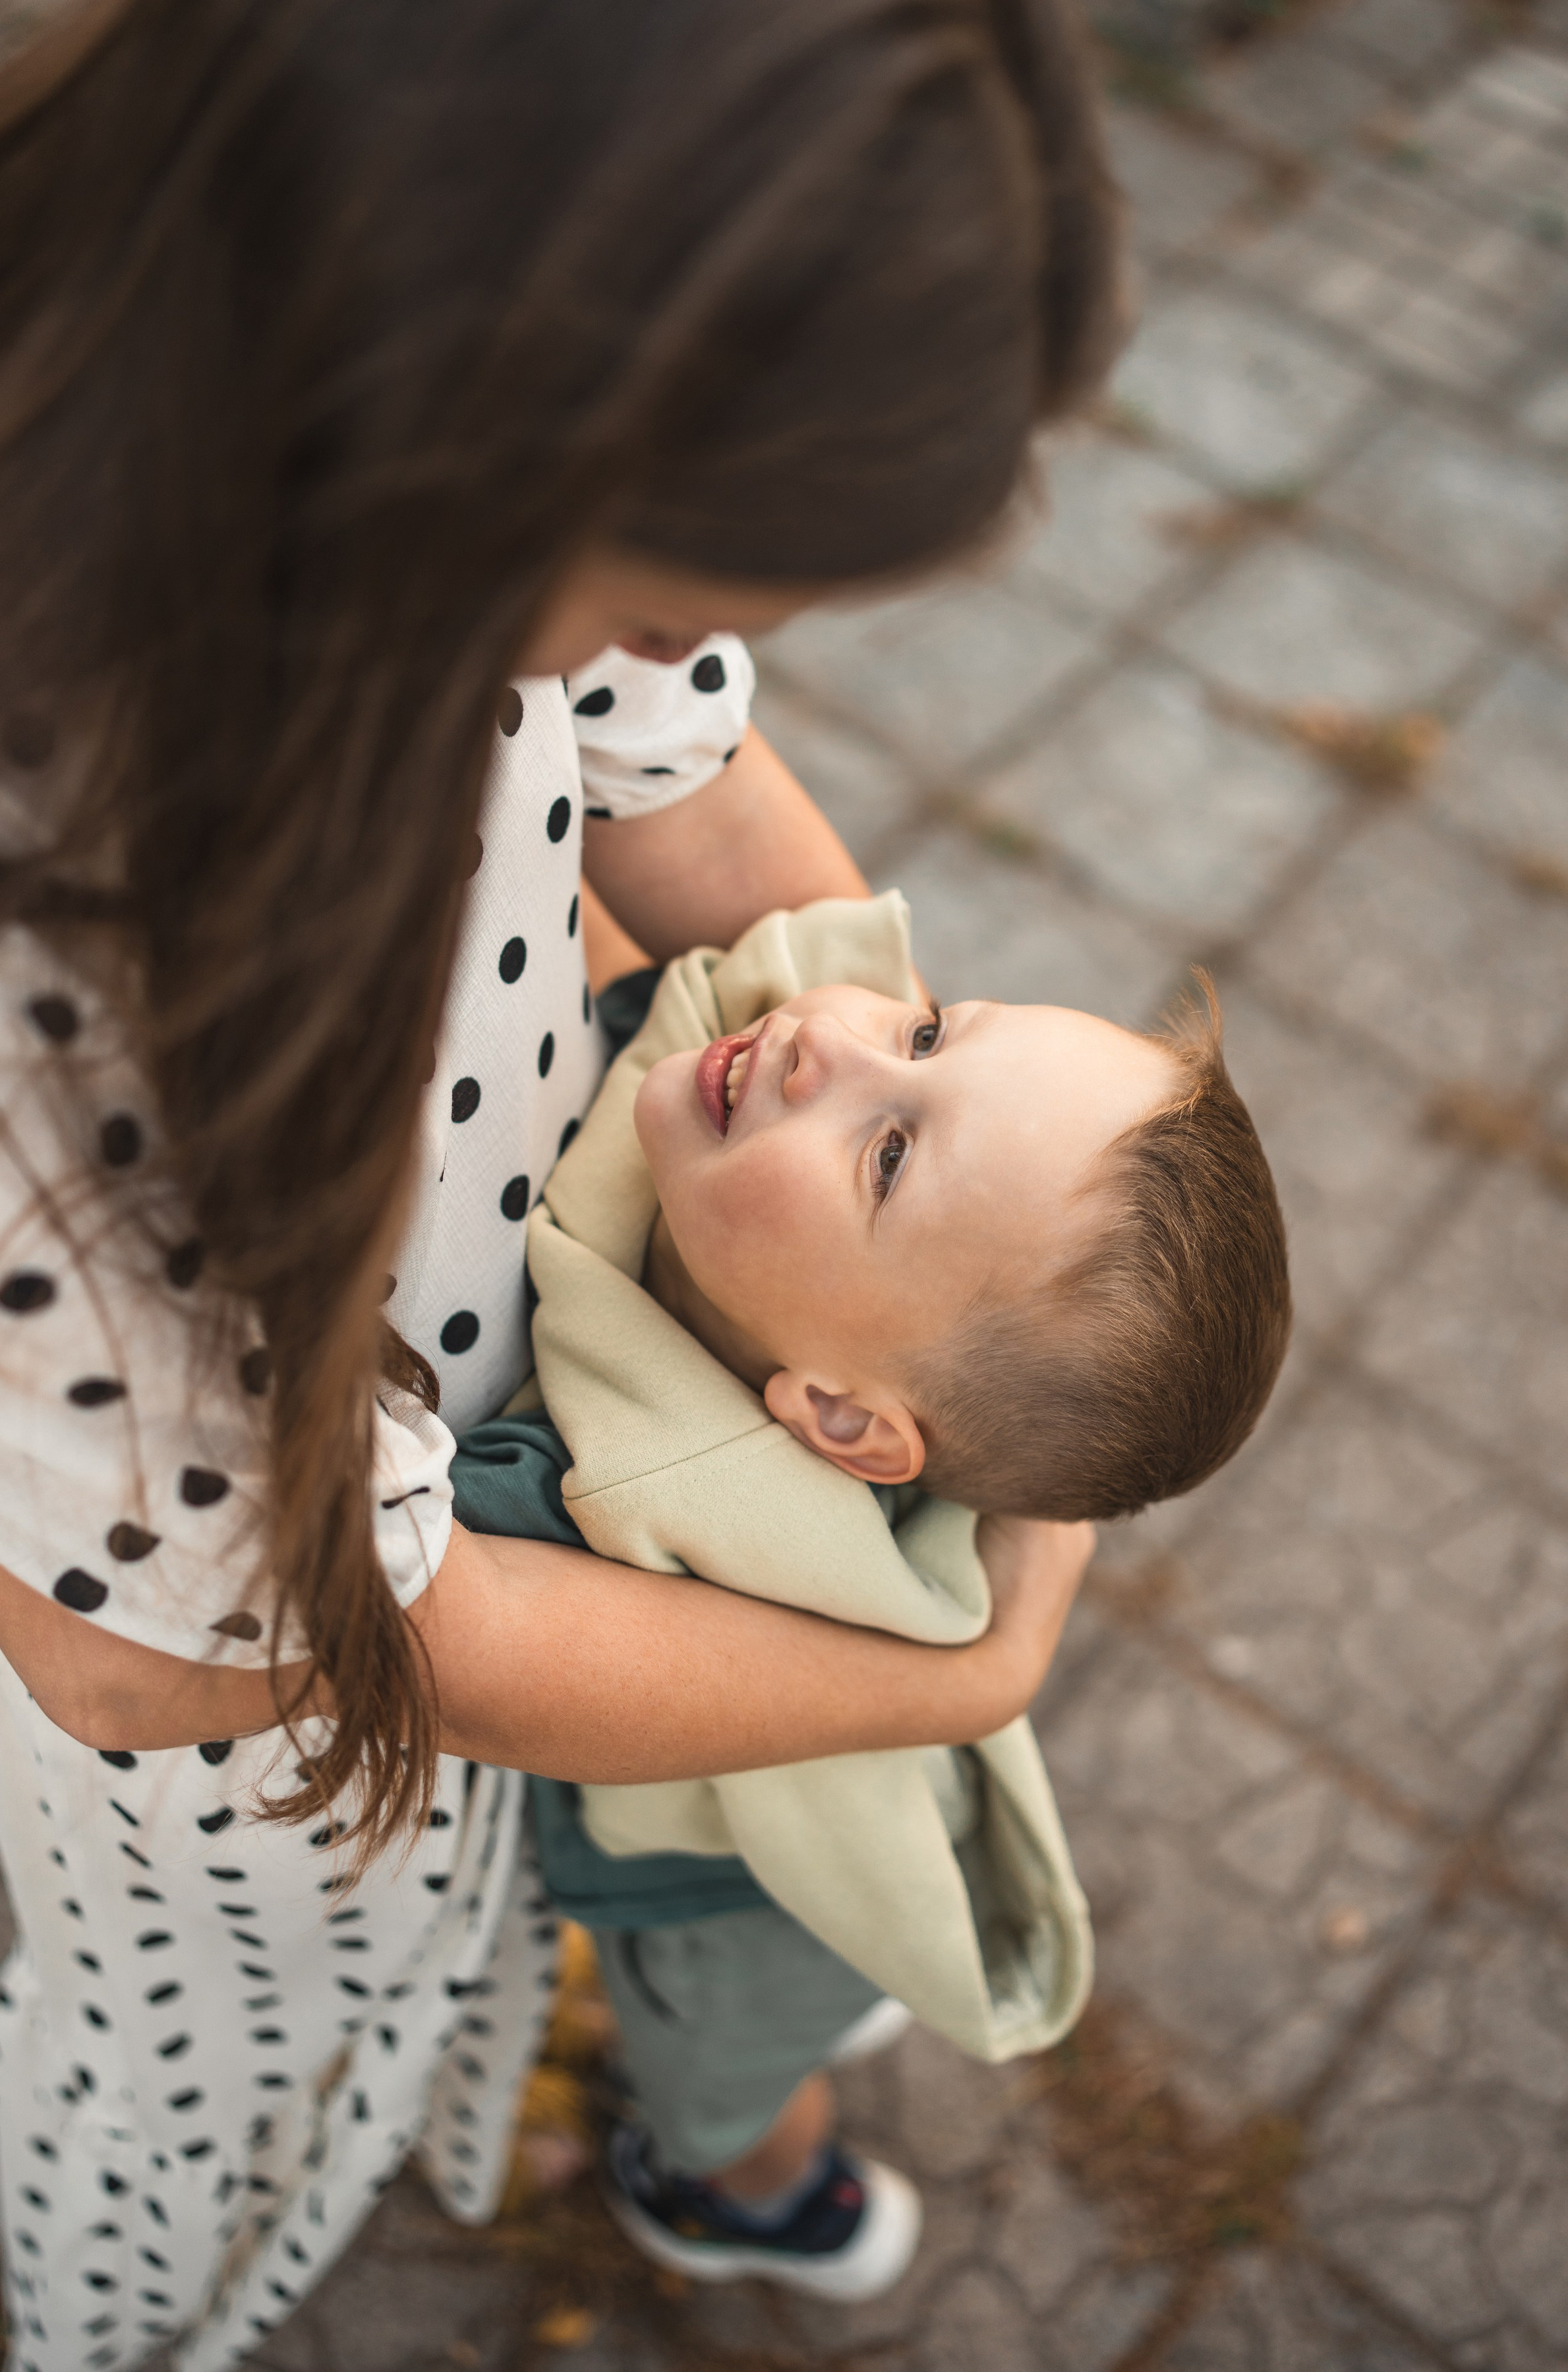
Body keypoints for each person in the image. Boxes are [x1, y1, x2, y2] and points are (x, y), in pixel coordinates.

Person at [0, 0, 1122, 2361]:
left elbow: (709, 825)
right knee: (214, 2077)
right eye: (677, 586)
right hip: (262, 1747)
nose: (695, 653)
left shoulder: (349, 487)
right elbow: (174, 1660)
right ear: (453, 408)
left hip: (446, 1571)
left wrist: (1006, 1263)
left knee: (460, 1928)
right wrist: (948, 1678)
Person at [457, 888, 1290, 2289]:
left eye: (890, 1154)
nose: (825, 1042)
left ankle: (758, 2200)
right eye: (926, 1025)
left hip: (732, 1900)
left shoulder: (593, 1486)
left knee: (716, 2075)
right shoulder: (844, 1312)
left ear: (840, 1426)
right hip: (883, 1802)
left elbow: (442, 1639)